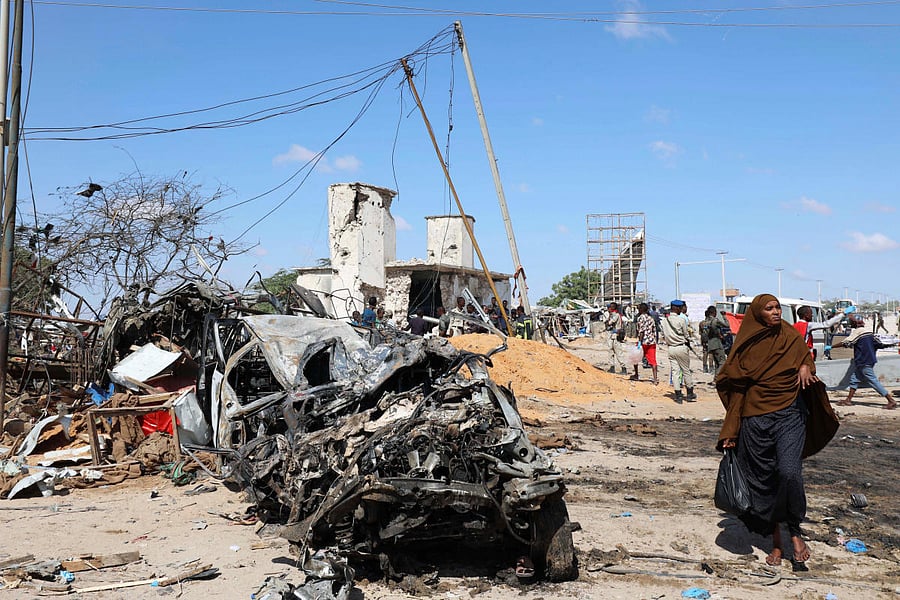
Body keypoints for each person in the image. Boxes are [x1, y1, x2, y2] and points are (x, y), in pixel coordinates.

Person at [716, 294, 839, 567]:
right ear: (758, 313)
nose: (775, 312)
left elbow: (805, 357)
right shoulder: (746, 342)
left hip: (790, 414)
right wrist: (731, 431)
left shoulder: (789, 335)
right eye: (769, 309)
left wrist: (806, 366)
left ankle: (794, 530)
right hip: (755, 420)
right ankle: (776, 541)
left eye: (777, 308)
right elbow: (732, 385)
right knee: (764, 480)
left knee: (789, 472)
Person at [837, 317, 896, 409]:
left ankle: (891, 400)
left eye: (851, 323)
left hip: (863, 361)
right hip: (868, 360)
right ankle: (848, 399)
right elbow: (879, 344)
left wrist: (831, 347)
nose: (850, 324)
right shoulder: (869, 333)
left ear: (855, 323)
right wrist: (892, 343)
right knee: (854, 379)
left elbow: (847, 342)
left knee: (873, 381)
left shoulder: (857, 332)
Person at [660, 299, 696, 402]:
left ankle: (678, 395)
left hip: (671, 348)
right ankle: (690, 393)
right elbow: (686, 334)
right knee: (686, 371)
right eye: (680, 308)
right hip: (681, 347)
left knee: (675, 371)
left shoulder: (664, 321)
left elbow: (664, 335)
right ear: (677, 308)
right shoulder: (681, 320)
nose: (681, 310)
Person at [633, 302, 658, 384]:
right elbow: (654, 330)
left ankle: (636, 375)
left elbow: (641, 331)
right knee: (653, 360)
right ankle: (655, 379)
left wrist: (639, 342)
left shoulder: (640, 318)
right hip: (652, 342)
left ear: (641, 310)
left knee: (635, 358)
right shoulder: (651, 318)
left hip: (643, 341)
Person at [701, 306, 728, 376]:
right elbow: (727, 325)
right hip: (717, 343)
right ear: (714, 312)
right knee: (722, 362)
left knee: (717, 363)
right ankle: (717, 376)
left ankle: (715, 379)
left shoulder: (705, 322)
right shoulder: (715, 320)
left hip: (710, 344)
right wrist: (724, 316)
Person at [605, 302, 627, 374]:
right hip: (612, 335)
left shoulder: (616, 315)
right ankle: (612, 367)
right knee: (610, 351)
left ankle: (623, 368)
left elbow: (609, 323)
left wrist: (608, 318)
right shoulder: (613, 314)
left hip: (616, 335)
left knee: (618, 352)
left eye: (611, 307)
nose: (610, 308)